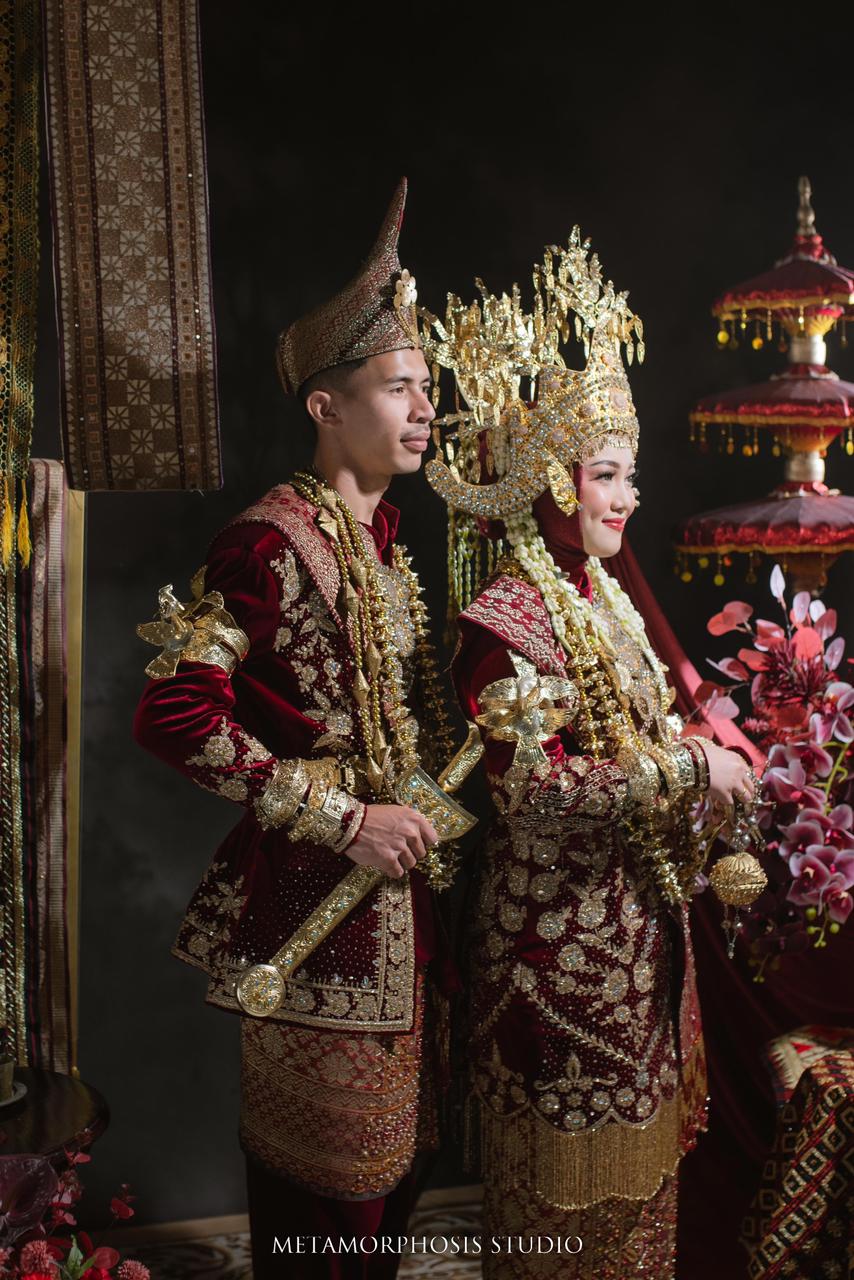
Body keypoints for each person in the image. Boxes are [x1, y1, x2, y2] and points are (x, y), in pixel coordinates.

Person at [133, 179, 460, 1280]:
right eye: (399, 387)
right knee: (324, 1202)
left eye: (427, 388)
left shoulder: (383, 546)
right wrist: (343, 816)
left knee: (392, 1182)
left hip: (406, 909)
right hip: (312, 909)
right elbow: (173, 709)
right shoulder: (266, 545)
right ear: (326, 406)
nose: (424, 409)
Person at [422, 229, 756, 1277]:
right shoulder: (507, 618)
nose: (625, 496)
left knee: (638, 1211)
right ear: (551, 480)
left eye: (629, 474)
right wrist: (689, 768)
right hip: (553, 961)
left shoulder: (603, 596)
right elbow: (530, 792)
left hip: (638, 943)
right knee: (564, 1215)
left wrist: (702, 761)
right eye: (604, 473)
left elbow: (639, 736)